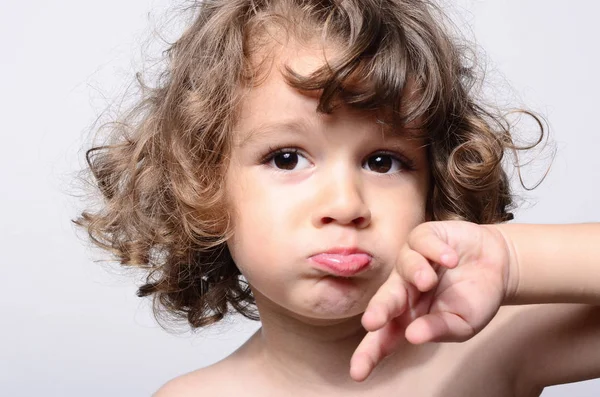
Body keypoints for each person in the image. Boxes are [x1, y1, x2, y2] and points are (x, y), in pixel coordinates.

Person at [74, 0, 600, 395]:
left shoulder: (494, 342)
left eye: (383, 161)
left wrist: (513, 261)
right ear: (203, 186)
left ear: (434, 185)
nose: (346, 204)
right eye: (286, 158)